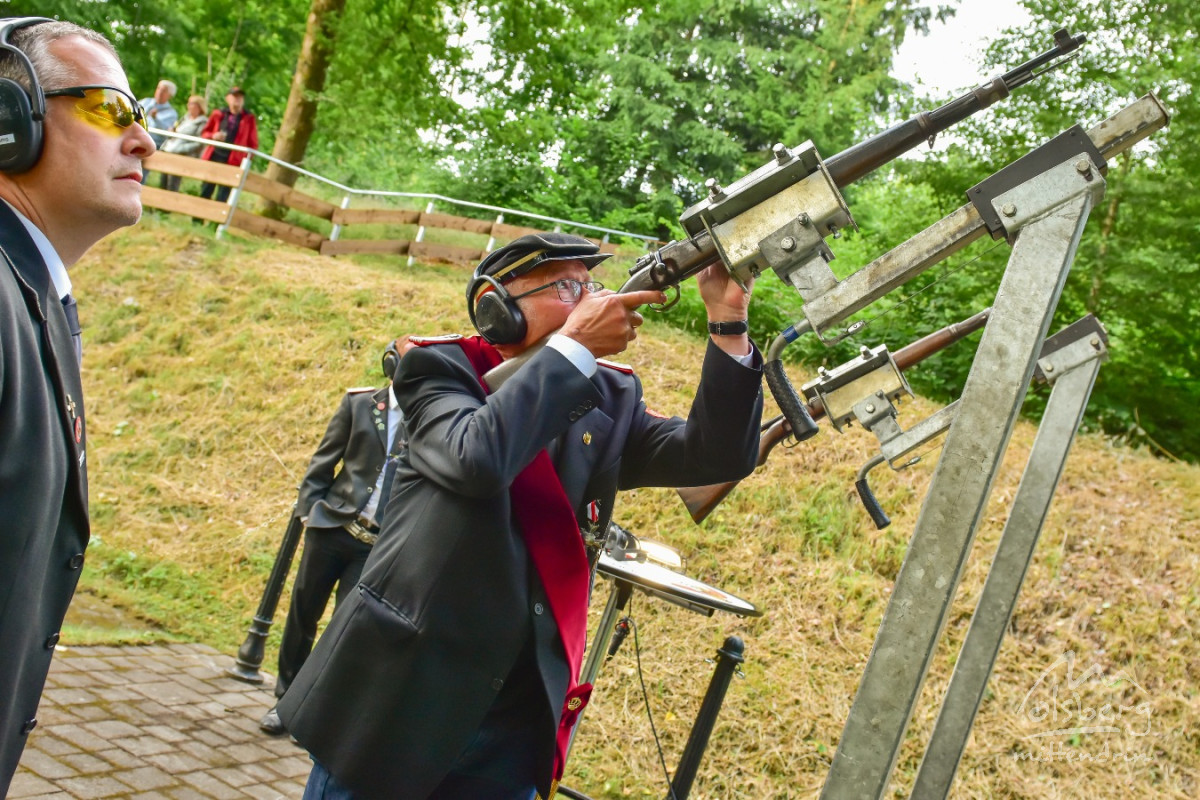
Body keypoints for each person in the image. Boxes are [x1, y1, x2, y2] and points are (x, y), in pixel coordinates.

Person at [279, 233, 765, 799]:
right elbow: (477, 458)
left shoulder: (612, 394)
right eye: (566, 287)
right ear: (497, 307)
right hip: (402, 696)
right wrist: (575, 349)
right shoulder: (439, 368)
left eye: (590, 285)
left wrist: (727, 322)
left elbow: (715, 458)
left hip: (516, 718)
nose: (590, 299)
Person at [0, 16, 155, 794]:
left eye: (143, 115)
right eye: (109, 107)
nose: (144, 141)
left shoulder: (32, 298)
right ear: (11, 121)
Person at [259, 337, 415, 737]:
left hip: (375, 546)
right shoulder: (359, 404)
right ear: (391, 365)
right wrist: (309, 513)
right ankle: (284, 701)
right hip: (332, 529)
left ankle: (312, 713)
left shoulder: (427, 420)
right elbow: (323, 461)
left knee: (342, 633)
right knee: (303, 616)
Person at [198, 85, 257, 204]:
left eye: (240, 97)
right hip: (215, 156)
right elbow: (205, 133)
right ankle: (199, 214)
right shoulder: (218, 114)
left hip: (234, 161)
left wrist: (246, 160)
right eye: (234, 96)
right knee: (206, 188)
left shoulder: (248, 118)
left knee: (223, 194)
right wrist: (213, 136)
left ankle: (216, 216)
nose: (237, 99)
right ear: (228, 99)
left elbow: (253, 144)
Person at [158, 94, 207, 192]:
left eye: (191, 103)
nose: (188, 106)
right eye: (188, 103)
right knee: (163, 180)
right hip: (169, 150)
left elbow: (200, 142)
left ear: (199, 106)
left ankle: (169, 200)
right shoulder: (185, 118)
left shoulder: (202, 122)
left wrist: (181, 149)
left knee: (172, 182)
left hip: (181, 154)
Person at [138, 78, 177, 148]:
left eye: (164, 90)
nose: (160, 92)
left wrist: (156, 119)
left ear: (170, 95)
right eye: (158, 88)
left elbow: (167, 133)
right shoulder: (145, 101)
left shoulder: (171, 114)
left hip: (153, 145)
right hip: (135, 137)